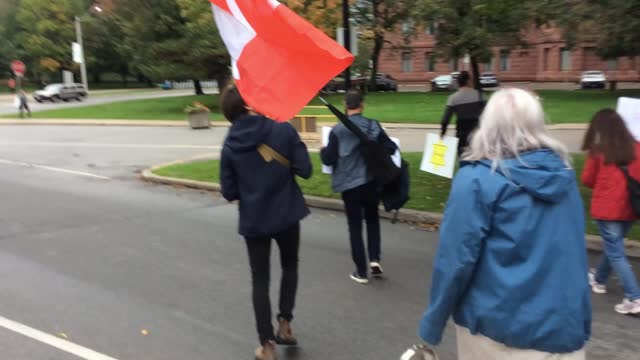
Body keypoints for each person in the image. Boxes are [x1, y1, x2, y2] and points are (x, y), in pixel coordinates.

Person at [419, 88, 591, 359]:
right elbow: (574, 251)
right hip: (564, 329)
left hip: (498, 332)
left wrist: (433, 323)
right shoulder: (564, 177)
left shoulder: (476, 180)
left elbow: (455, 260)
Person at [219, 86, 312, 360]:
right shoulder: (282, 129)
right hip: (286, 214)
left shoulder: (230, 143)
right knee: (290, 266)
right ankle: (285, 324)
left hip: (254, 219)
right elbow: (305, 170)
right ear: (249, 105)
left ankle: (267, 346)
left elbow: (228, 191)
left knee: (260, 279)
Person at [320, 89, 397, 284]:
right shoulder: (373, 125)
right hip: (371, 181)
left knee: (354, 227)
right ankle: (374, 259)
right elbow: (391, 147)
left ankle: (361, 271)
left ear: (346, 105)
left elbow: (328, 159)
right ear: (362, 105)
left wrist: (323, 151)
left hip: (349, 184)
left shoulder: (337, 130)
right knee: (372, 220)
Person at [582, 108, 640, 315]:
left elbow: (587, 179)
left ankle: (635, 298)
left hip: (607, 210)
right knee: (613, 247)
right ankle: (599, 280)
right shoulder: (636, 147)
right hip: (630, 209)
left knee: (616, 252)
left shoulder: (599, 150)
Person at [440, 71, 485, 155]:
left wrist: (443, 133)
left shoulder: (453, 98)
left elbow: (445, 119)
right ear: (467, 81)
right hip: (477, 134)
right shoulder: (480, 95)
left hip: (461, 135)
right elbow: (487, 115)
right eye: (471, 80)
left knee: (463, 158)